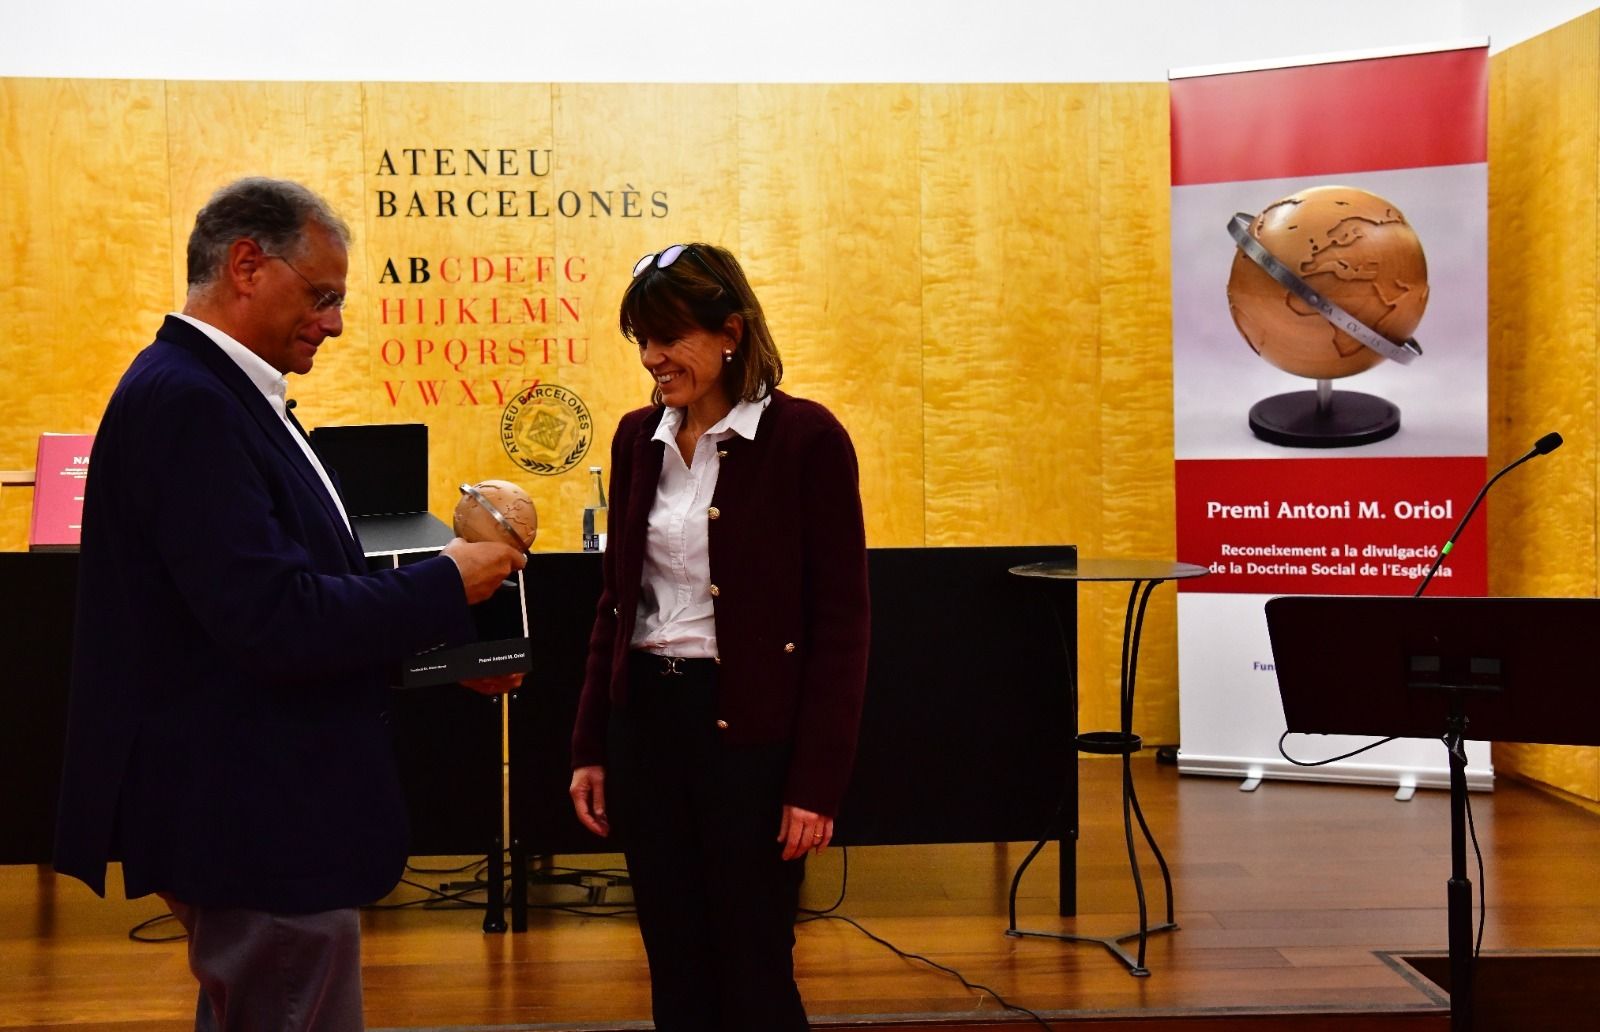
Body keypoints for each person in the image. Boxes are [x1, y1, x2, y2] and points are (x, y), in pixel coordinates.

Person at [52, 177, 526, 1031]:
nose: (336, 321)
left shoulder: (220, 395)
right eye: (322, 295)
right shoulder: (193, 403)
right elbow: (274, 620)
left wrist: (443, 654)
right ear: (245, 265)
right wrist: (444, 581)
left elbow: (279, 604)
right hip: (255, 818)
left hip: (259, 813)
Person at [568, 243, 870, 1030]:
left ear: (729, 331)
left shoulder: (807, 439)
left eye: (668, 338)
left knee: (755, 963)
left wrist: (816, 783)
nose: (652, 358)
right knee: (673, 962)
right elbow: (614, 607)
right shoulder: (638, 440)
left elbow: (843, 624)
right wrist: (590, 746)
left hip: (749, 740)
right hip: (647, 731)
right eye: (641, 340)